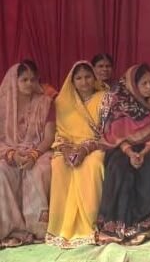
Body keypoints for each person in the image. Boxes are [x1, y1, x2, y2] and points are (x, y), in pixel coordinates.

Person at [97, 64, 150, 245]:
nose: (149, 87)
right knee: (118, 167)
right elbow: (116, 135)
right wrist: (130, 153)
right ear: (132, 85)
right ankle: (116, 225)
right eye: (144, 83)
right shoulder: (120, 100)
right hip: (125, 147)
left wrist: (143, 152)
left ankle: (143, 224)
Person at [46, 62, 106, 248]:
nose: (84, 81)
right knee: (58, 165)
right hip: (68, 147)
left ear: (94, 78)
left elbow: (108, 134)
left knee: (93, 164)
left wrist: (85, 149)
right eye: (79, 78)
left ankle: (90, 223)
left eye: (88, 77)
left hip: (95, 147)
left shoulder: (104, 98)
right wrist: (65, 150)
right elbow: (60, 133)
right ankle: (60, 227)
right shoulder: (62, 102)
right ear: (72, 81)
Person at [0, 60, 55, 247]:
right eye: (24, 80)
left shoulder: (45, 103)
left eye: (33, 79)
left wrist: (33, 155)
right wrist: (12, 155)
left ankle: (37, 228)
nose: (29, 84)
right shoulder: (2, 106)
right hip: (9, 152)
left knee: (39, 170)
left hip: (39, 151)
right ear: (14, 81)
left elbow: (48, 137)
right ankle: (12, 230)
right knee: (1, 172)